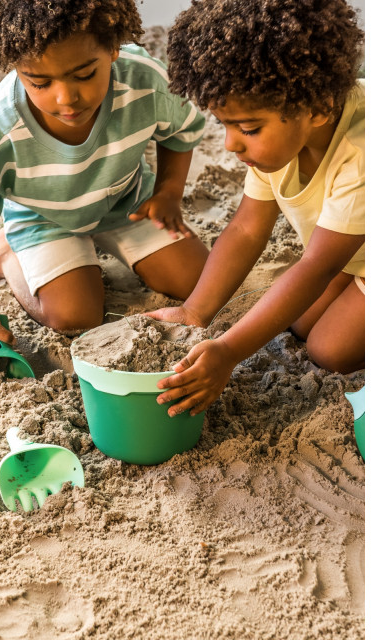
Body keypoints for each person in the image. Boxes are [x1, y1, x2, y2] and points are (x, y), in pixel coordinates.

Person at [0, 0, 209, 354]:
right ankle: (6, 252)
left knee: (197, 280)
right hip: (45, 218)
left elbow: (182, 130)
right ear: (16, 69)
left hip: (127, 200)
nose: (66, 98)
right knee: (75, 316)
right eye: (39, 82)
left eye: (84, 75)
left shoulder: (145, 80)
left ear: (113, 48)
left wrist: (168, 192)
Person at [148, 0, 365, 418]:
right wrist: (196, 310)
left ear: (317, 108)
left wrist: (229, 351)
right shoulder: (279, 144)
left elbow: (315, 266)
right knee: (299, 324)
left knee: (328, 350)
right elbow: (248, 229)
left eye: (247, 128)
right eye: (224, 126)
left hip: (337, 256)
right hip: (347, 250)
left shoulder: (361, 153)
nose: (231, 144)